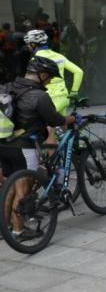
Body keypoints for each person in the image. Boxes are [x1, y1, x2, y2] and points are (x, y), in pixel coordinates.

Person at [0, 57, 72, 239]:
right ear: (42, 75)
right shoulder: (39, 96)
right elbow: (55, 120)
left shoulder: (8, 87)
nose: (48, 82)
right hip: (24, 147)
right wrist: (71, 119)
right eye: (49, 78)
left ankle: (4, 227)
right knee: (22, 190)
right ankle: (19, 231)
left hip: (3, 143)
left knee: (9, 187)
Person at [24, 29, 83, 115]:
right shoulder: (59, 56)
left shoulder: (36, 60)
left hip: (49, 100)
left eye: (28, 44)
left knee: (44, 124)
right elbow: (79, 72)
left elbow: (30, 82)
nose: (28, 46)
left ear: (33, 44)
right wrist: (74, 92)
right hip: (64, 97)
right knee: (63, 123)